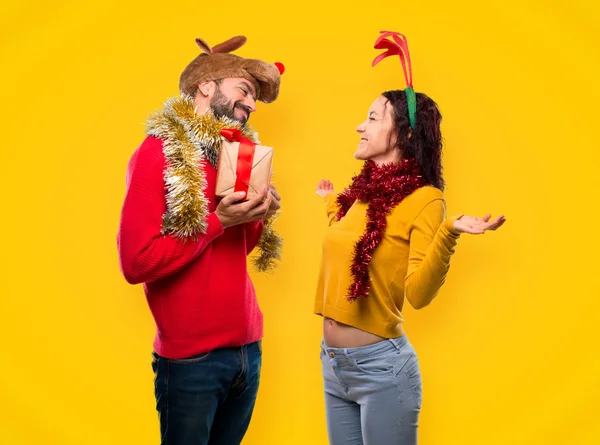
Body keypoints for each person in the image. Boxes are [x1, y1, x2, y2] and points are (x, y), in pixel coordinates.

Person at [314, 31, 505, 445]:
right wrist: (331, 204)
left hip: (381, 370)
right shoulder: (360, 194)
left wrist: (449, 233)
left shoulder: (424, 200)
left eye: (372, 118)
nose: (358, 126)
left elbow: (417, 294)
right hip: (332, 365)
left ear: (401, 134)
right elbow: (348, 242)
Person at [116, 35, 284, 445]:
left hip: (248, 348)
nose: (250, 105)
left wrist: (259, 214)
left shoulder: (236, 153)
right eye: (244, 91)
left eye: (255, 99)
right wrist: (216, 222)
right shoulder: (160, 151)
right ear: (206, 85)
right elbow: (136, 263)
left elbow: (236, 248)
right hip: (192, 359)